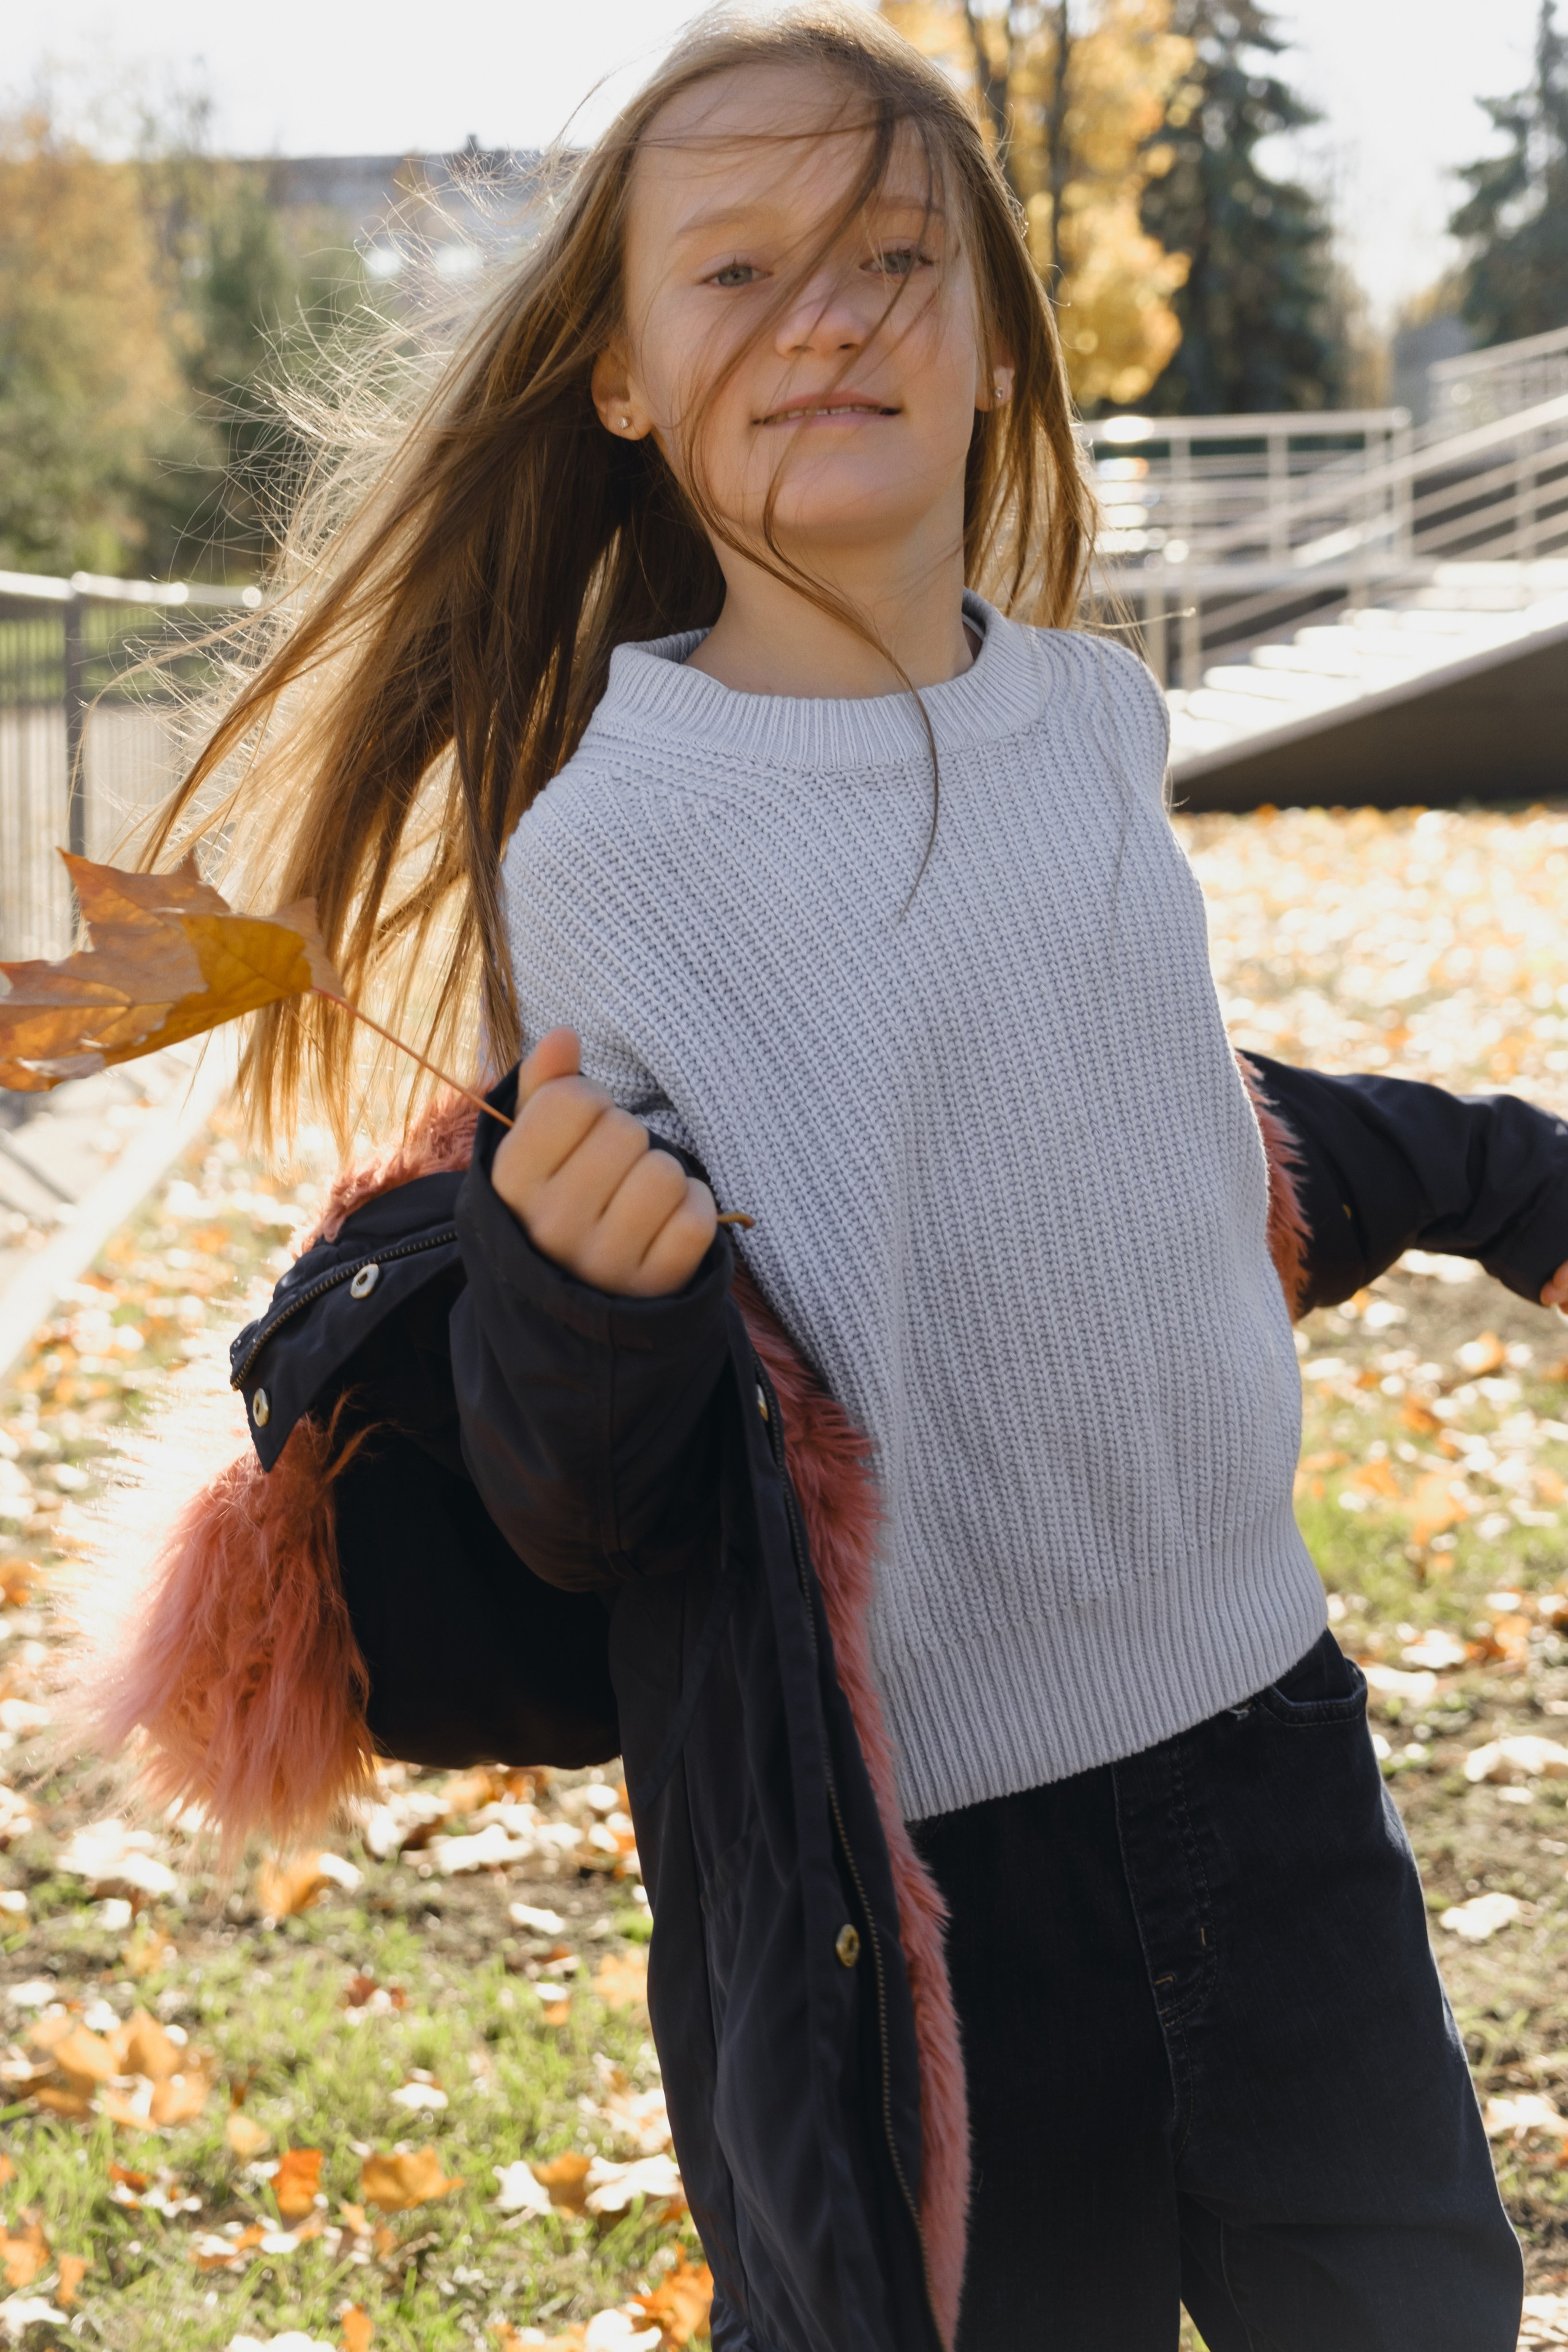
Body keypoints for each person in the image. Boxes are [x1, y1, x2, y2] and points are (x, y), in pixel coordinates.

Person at [103, 8, 1568, 2347]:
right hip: (931, 1881)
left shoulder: (1092, 718)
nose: (830, 318)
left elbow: (1169, 1130)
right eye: (739, 272)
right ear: (616, 374)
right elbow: (606, 1501)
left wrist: (1516, 1180)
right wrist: (588, 1298)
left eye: (897, 254)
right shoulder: (617, 851)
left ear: (995, 333)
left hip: (1271, 1744)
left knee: (1417, 2309)